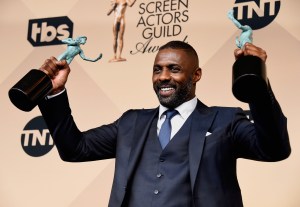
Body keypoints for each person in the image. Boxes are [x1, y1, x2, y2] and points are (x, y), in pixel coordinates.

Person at [38, 41, 290, 207]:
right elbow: (74, 149)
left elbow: (274, 149)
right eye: (157, 69)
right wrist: (54, 92)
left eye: (174, 68)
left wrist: (257, 83)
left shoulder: (226, 120)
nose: (164, 77)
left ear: (196, 75)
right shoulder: (131, 122)